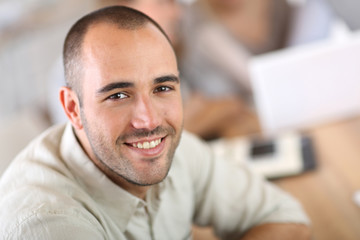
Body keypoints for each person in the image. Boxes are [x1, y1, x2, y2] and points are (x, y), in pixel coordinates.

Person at [0, 6, 311, 239]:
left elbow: (286, 218)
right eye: (118, 96)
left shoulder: (176, 149)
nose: (149, 120)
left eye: (163, 88)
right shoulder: (45, 224)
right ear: (72, 108)